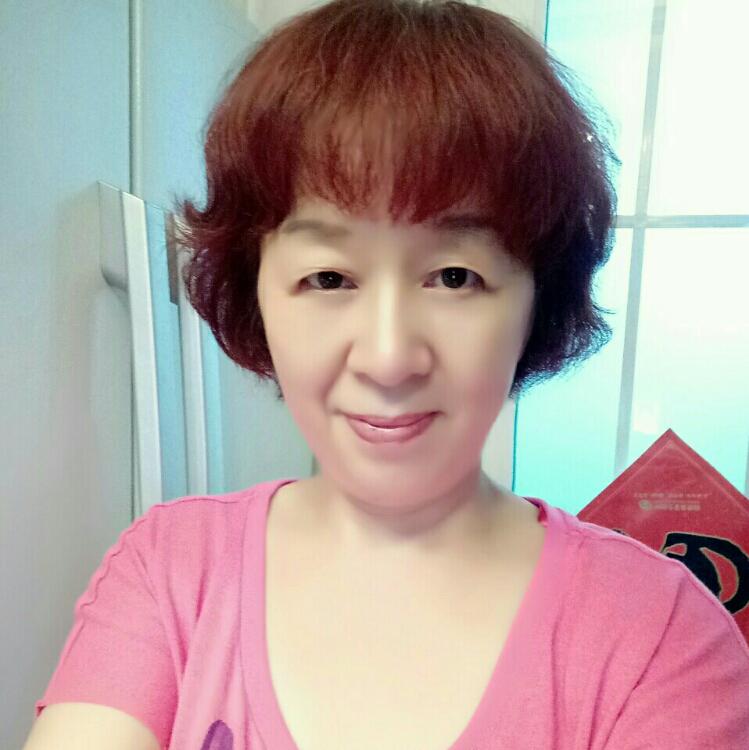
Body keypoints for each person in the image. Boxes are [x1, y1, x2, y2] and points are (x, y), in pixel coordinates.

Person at [26, 1, 749, 748]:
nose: (387, 357)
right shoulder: (172, 571)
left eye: (455, 276)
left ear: (538, 299)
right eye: (329, 278)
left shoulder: (658, 635)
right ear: (256, 293)